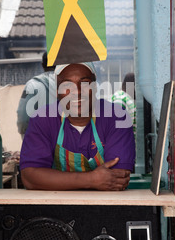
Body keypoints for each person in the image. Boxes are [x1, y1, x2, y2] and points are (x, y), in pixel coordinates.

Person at [20, 62, 135, 191]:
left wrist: (51, 179)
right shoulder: (43, 119)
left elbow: (117, 179)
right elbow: (30, 177)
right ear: (57, 92)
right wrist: (92, 179)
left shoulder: (116, 116)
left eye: (85, 82)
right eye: (67, 85)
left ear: (95, 87)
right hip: (55, 204)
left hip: (106, 206)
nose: (77, 92)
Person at [16, 51, 56, 138]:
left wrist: (24, 133)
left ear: (42, 65)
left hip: (40, 141)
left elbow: (23, 117)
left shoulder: (32, 85)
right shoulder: (70, 85)